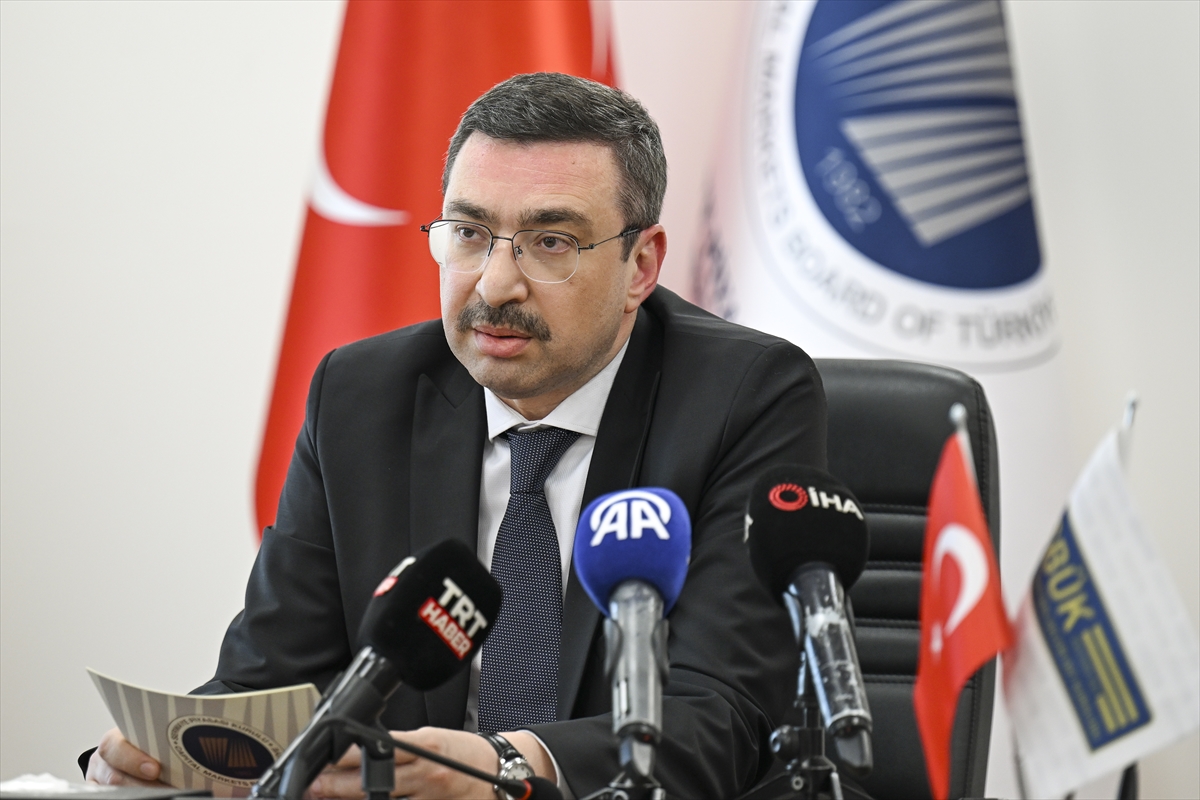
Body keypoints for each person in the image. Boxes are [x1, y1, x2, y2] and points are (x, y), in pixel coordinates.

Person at [86, 72, 826, 799]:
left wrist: (499, 768)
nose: (495, 285)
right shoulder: (360, 397)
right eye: (469, 234)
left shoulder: (744, 398)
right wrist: (164, 755)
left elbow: (724, 718)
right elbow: (272, 681)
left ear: (641, 266)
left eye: (551, 241)